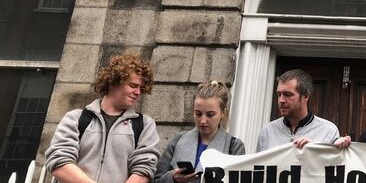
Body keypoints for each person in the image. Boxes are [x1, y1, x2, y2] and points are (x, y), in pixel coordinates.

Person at [45, 54, 160, 183]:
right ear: (113, 82)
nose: (138, 92)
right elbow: (59, 161)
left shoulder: (144, 125)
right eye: (133, 86)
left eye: (141, 88)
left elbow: (144, 169)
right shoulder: (76, 118)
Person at [154, 81, 245, 183]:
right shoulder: (177, 140)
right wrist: (172, 178)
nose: (202, 121)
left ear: (223, 113)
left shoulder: (234, 146)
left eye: (210, 114)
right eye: (198, 114)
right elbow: (156, 180)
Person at [256, 69, 341, 151]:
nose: (281, 100)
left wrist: (315, 151)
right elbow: (258, 164)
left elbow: (333, 163)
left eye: (287, 94)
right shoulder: (267, 132)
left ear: (306, 96)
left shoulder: (328, 131)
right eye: (279, 94)